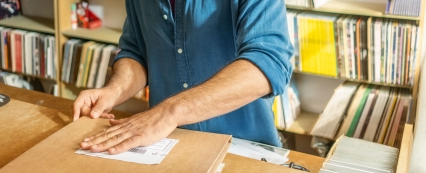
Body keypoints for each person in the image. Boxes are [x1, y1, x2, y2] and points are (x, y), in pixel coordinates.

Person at [73, 0, 293, 155]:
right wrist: (114, 91)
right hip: (167, 147)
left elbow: (269, 62)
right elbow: (137, 51)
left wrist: (170, 112)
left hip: (244, 147)